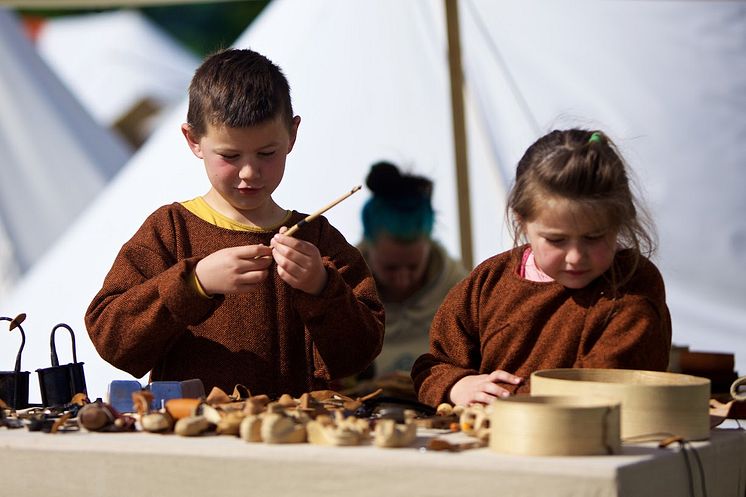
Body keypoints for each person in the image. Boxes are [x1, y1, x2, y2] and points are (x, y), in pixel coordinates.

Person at [85, 48, 385, 399]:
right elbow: (112, 339)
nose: (249, 172)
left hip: (286, 441)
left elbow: (360, 354)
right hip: (188, 439)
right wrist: (194, 284)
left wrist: (322, 287)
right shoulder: (170, 229)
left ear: (292, 134)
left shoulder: (317, 238)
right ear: (193, 140)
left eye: (266, 153)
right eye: (229, 155)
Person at [412, 129, 672, 407]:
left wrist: (506, 402)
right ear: (522, 221)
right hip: (482, 444)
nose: (575, 257)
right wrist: (457, 385)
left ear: (619, 221)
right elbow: (435, 365)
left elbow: (605, 386)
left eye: (594, 237)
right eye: (556, 240)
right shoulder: (488, 282)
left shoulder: (632, 287)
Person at [358, 161, 467, 378]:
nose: (402, 279)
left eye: (414, 266)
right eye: (390, 267)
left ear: (429, 247)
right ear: (368, 249)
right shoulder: (341, 288)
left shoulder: (460, 293)